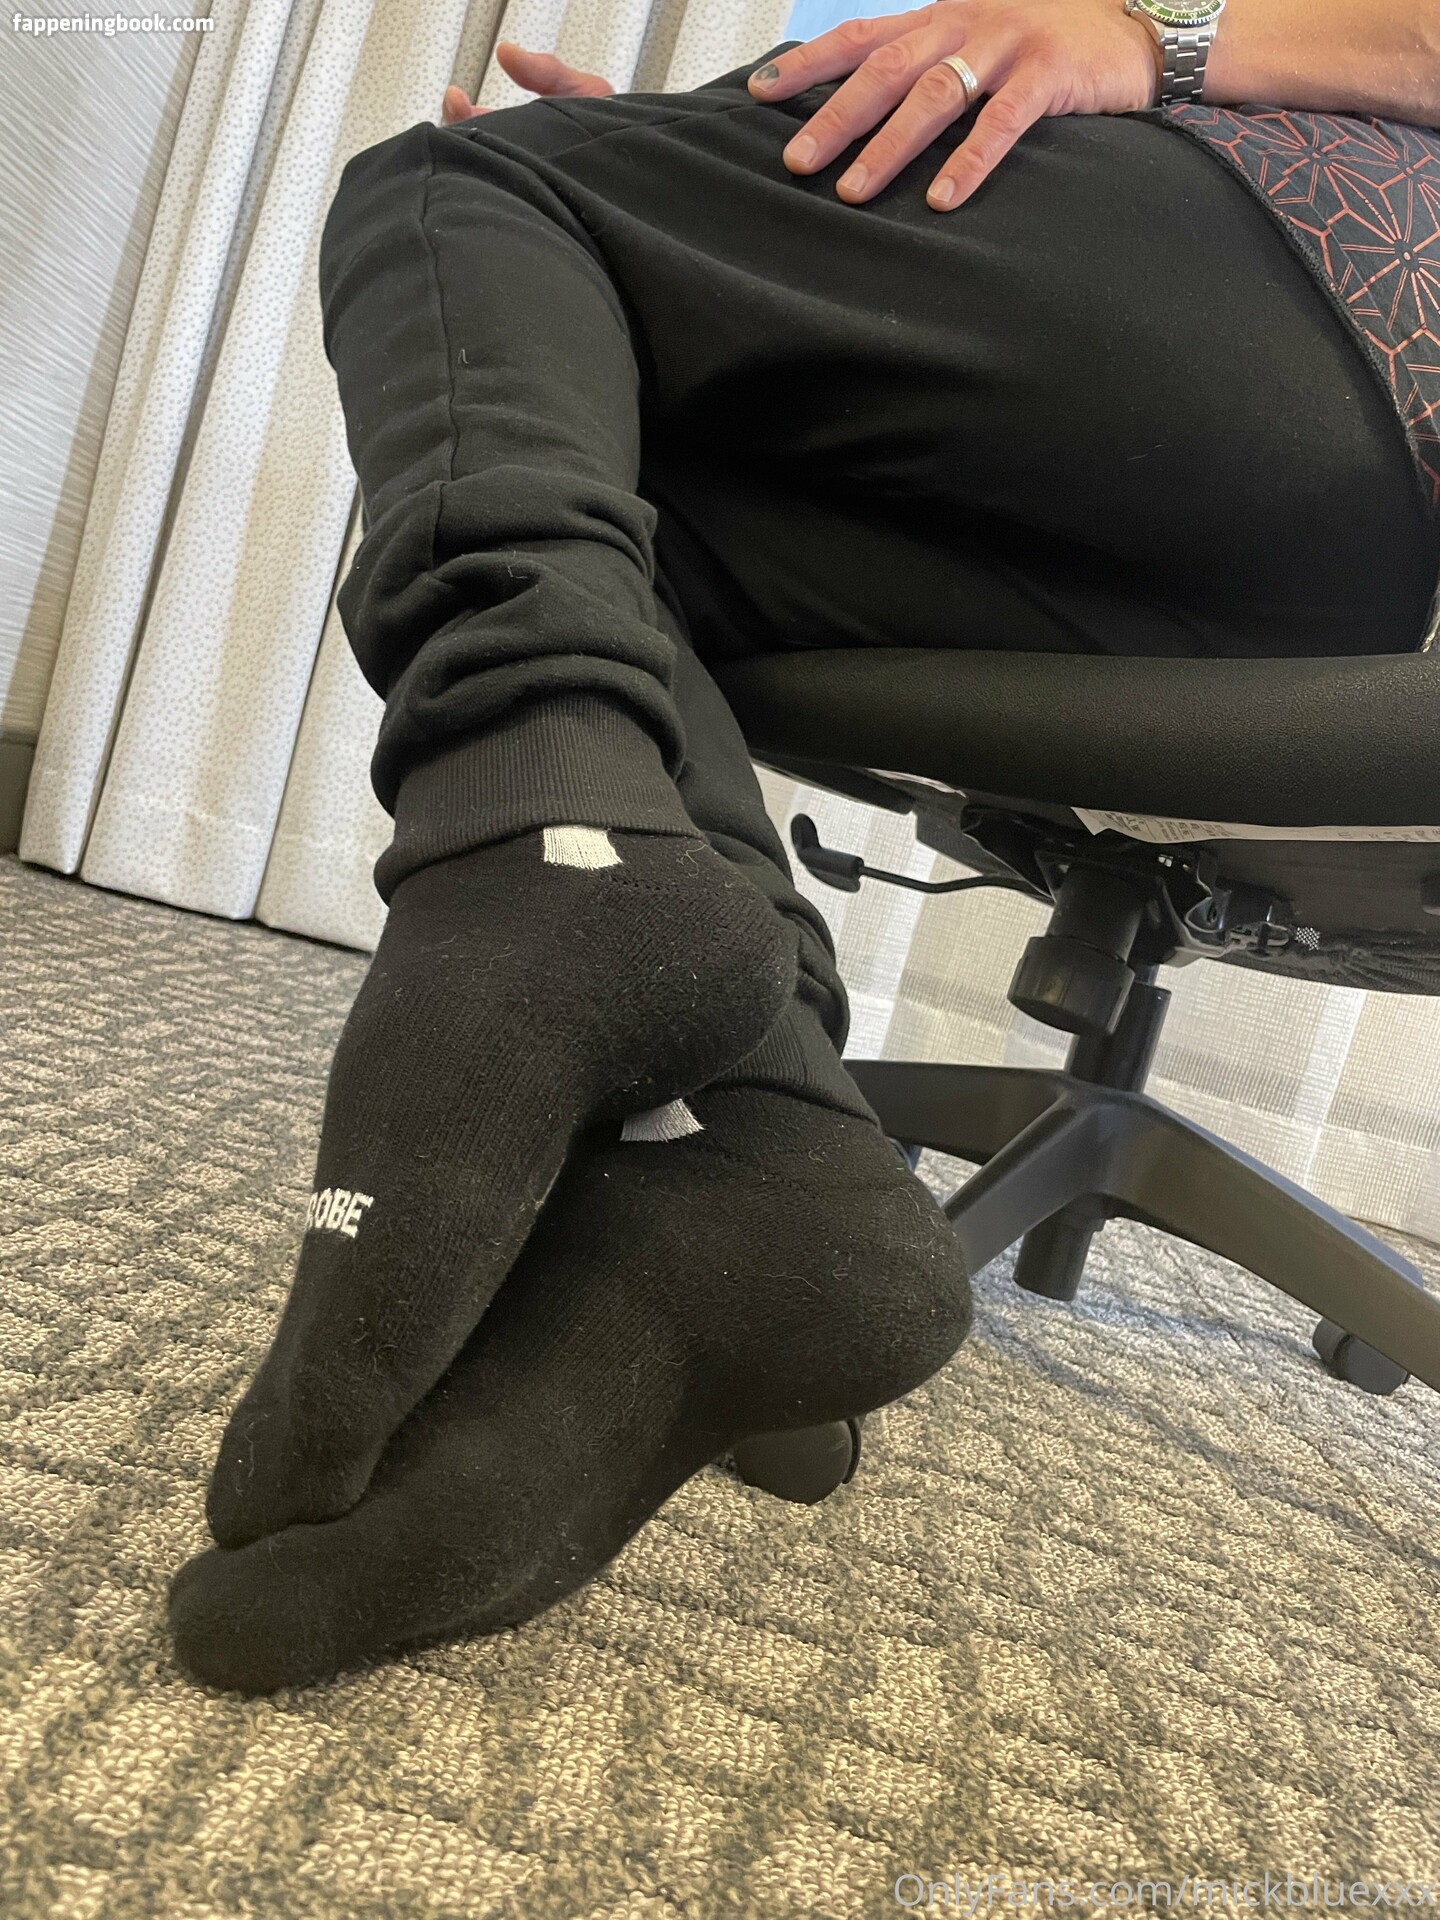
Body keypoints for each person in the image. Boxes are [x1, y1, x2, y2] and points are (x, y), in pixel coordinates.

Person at [169, 4, 1440, 1694]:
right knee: (558, 424)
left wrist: (1162, 39)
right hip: (1268, 511)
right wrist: (671, 224)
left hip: (1367, 316)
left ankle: (544, 845)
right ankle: (769, 1162)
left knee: (459, 184)